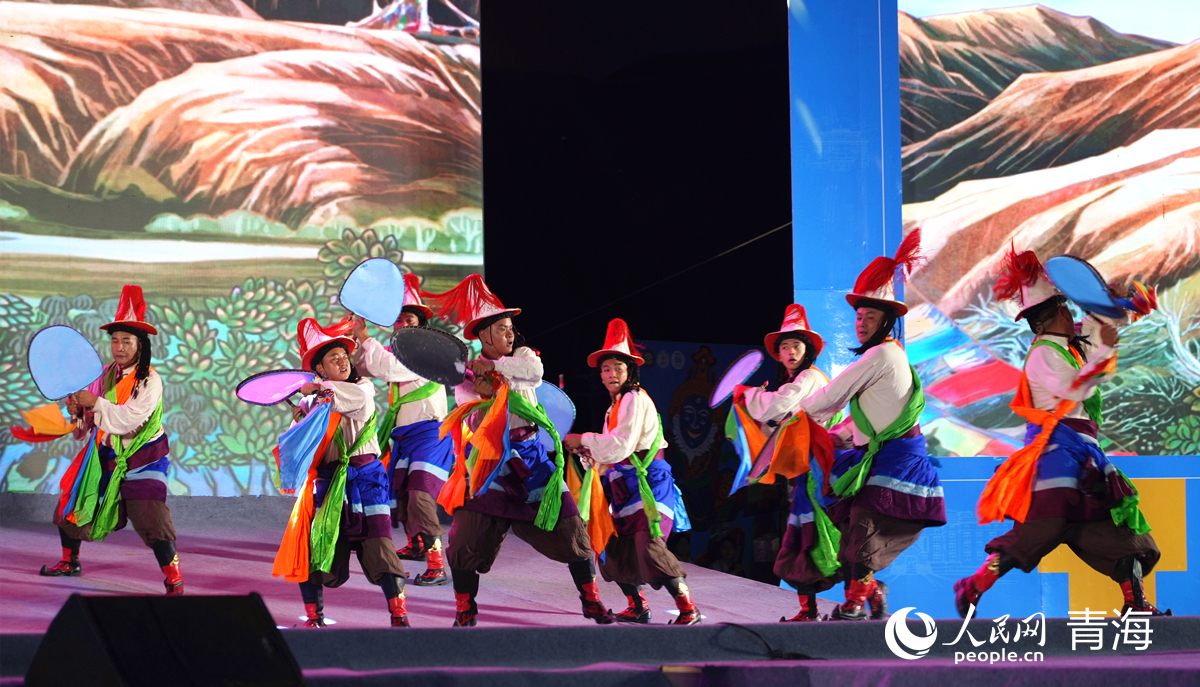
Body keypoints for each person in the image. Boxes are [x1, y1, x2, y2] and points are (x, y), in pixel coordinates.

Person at [955, 248, 1167, 617]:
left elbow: (1098, 326)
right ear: (1054, 316)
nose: (1073, 315)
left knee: (1122, 532)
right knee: (1040, 530)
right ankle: (974, 585)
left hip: (1083, 456)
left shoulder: (1067, 347)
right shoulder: (1044, 354)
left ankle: (1136, 603)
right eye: (1067, 309)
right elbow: (1075, 387)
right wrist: (1105, 350)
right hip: (1056, 459)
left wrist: (1124, 306)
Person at [430, 275, 613, 627]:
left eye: (510, 328)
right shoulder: (467, 380)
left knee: (572, 529)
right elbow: (472, 422)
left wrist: (495, 369)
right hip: (489, 468)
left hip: (533, 461)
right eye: (501, 329)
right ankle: (465, 610)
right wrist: (483, 394)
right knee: (464, 540)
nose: (510, 334)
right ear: (484, 336)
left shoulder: (522, 357)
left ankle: (591, 601)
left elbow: (533, 372)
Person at [796, 230, 947, 620]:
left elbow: (827, 399)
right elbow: (867, 417)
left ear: (886, 322)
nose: (861, 323)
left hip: (896, 461)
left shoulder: (880, 355)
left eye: (870, 317)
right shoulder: (887, 356)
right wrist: (838, 434)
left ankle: (856, 602)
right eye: (859, 316)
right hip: (880, 457)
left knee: (863, 525)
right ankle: (872, 594)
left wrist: (790, 418)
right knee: (850, 527)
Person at [41, 285, 183, 595]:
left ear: (141, 345)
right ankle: (69, 561)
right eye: (115, 340)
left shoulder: (150, 379)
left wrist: (94, 403)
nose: (119, 347)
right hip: (104, 455)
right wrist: (79, 410)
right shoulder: (104, 374)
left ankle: (174, 579)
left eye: (126, 341)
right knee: (73, 503)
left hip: (143, 457)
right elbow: (89, 420)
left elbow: (130, 418)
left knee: (151, 517)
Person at [563, 319, 700, 625]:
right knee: (615, 550)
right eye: (606, 369)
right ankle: (638, 606)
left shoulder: (634, 399)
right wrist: (587, 454)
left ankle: (688, 608)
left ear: (630, 372)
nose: (611, 373)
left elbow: (621, 444)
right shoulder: (614, 406)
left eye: (618, 368)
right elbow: (611, 454)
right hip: (624, 487)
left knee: (649, 547)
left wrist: (583, 439)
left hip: (648, 484)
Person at [276, 318, 410, 628]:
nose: (343, 361)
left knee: (380, 548)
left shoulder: (362, 388)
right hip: (327, 485)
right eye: (333, 358)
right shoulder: (311, 401)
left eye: (344, 356)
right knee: (314, 550)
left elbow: (344, 400)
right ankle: (314, 618)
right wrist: (300, 420)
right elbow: (298, 449)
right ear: (320, 368)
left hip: (366, 481)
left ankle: (399, 616)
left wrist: (317, 391)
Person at [732, 304, 838, 622]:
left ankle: (866, 593)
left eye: (796, 345)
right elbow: (777, 421)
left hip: (823, 470)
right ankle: (809, 609)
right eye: (785, 347)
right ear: (778, 354)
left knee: (826, 537)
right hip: (806, 473)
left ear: (808, 351)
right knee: (803, 538)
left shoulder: (810, 378)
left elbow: (778, 405)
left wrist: (748, 395)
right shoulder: (795, 382)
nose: (790, 351)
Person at [351, 273, 453, 586]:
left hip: (430, 435)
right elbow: (364, 367)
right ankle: (418, 545)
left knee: (420, 496)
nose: (402, 325)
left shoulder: (425, 353)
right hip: (406, 437)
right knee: (404, 495)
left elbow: (386, 367)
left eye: (409, 319)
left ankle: (437, 565)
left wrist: (365, 336)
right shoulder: (397, 355)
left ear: (421, 326)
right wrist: (356, 341)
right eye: (398, 321)